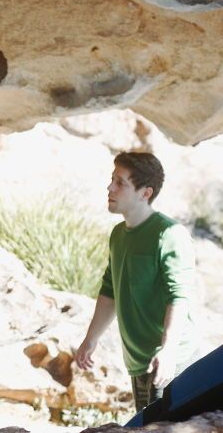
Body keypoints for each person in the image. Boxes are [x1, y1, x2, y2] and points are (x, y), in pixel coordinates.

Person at [75, 153, 198, 411]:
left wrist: (168, 352)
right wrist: (91, 339)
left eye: (120, 183)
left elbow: (179, 297)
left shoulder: (170, 234)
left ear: (145, 193)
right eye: (112, 180)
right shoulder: (119, 235)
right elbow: (110, 290)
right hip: (138, 362)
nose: (110, 187)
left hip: (168, 363)